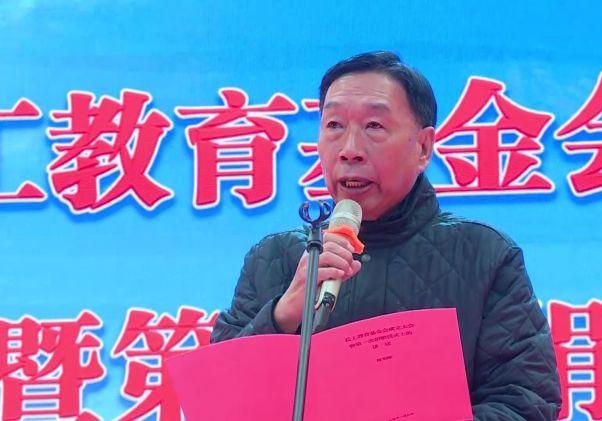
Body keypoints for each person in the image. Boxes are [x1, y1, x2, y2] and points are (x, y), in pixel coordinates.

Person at [211, 51, 562, 420]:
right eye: (334, 125)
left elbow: (525, 403)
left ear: (423, 147)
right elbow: (217, 400)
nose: (349, 150)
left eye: (374, 126)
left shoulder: (484, 254)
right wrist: (284, 313)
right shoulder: (274, 257)